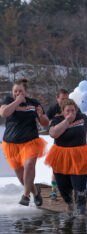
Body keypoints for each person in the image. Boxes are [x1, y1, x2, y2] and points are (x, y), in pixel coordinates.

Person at [45, 98, 87, 215]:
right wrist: (67, 121)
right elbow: (53, 133)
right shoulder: (57, 120)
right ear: (63, 111)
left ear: (76, 110)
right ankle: (69, 204)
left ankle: (81, 212)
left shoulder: (82, 118)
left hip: (80, 155)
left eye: (73, 111)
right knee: (63, 187)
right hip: (61, 157)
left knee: (79, 186)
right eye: (68, 111)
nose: (71, 113)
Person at [0, 78, 49, 206]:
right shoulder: (9, 101)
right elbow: (4, 113)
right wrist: (17, 102)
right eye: (15, 91)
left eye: (20, 91)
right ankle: (36, 192)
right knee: (22, 178)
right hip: (11, 144)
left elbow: (45, 123)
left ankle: (26, 196)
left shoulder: (33, 103)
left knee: (29, 165)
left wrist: (41, 116)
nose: (17, 93)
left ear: (25, 92)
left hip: (30, 141)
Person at [46, 88, 69, 200]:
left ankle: (70, 190)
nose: (65, 101)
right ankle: (54, 191)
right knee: (56, 166)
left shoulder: (72, 107)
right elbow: (45, 120)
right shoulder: (53, 109)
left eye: (67, 99)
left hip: (72, 143)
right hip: (58, 142)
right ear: (57, 98)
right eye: (62, 99)